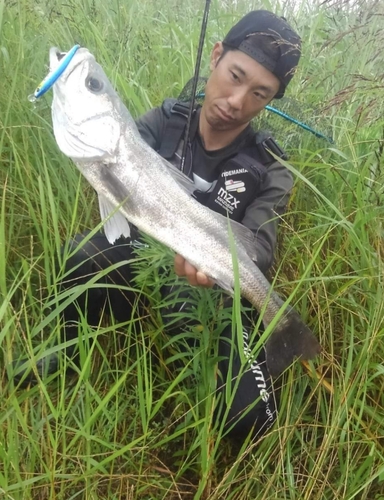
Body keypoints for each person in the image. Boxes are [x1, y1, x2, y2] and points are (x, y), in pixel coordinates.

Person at [13, 10, 301, 439]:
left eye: (259, 93)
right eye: (235, 76)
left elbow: (258, 247)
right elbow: (112, 205)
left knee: (250, 420)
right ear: (217, 56)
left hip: (214, 292)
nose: (237, 101)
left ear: (270, 100)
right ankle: (67, 345)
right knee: (82, 254)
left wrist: (219, 272)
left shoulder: (272, 168)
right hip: (146, 258)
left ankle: (281, 330)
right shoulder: (163, 122)